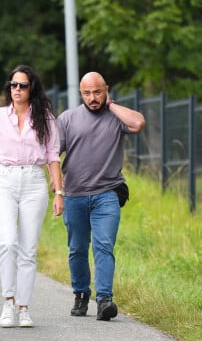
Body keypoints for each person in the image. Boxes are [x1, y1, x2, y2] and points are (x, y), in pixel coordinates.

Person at [0, 64, 64, 328]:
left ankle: (24, 307)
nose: (17, 89)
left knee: (28, 249)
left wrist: (59, 192)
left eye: (22, 85)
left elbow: (52, 156)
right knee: (7, 243)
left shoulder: (46, 118)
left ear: (31, 88)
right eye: (13, 85)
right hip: (4, 180)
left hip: (35, 182)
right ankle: (7, 302)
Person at [56, 71, 146, 321]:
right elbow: (52, 155)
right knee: (76, 249)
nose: (92, 98)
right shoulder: (67, 119)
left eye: (97, 92)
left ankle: (105, 299)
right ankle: (81, 294)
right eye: (87, 93)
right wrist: (57, 191)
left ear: (106, 89)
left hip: (107, 193)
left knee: (103, 245)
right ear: (80, 93)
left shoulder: (115, 117)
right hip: (75, 195)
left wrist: (112, 105)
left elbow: (138, 124)